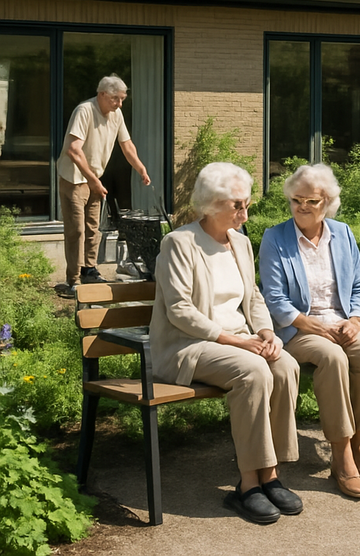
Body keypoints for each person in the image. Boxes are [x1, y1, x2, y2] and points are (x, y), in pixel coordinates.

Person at [150, 162, 302, 524]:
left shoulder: (241, 243)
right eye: (237, 205)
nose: (245, 213)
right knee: (253, 372)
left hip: (239, 342)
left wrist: (267, 334)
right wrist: (236, 341)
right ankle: (248, 485)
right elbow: (180, 311)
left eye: (246, 204)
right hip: (187, 347)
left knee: (285, 365)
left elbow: (254, 300)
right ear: (210, 203)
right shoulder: (179, 243)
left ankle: (271, 475)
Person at [259, 163, 360, 500]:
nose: (302, 206)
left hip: (341, 323)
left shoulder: (342, 234)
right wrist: (313, 324)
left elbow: (359, 286)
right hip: (299, 330)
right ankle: (341, 454)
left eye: (310, 201)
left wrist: (355, 321)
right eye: (296, 199)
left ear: (327, 203)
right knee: (332, 358)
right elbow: (275, 298)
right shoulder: (275, 238)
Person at [55, 75, 150, 298]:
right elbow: (73, 149)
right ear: (102, 95)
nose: (119, 104)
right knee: (76, 230)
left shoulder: (116, 114)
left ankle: (89, 269)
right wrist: (93, 180)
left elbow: (127, 145)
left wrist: (141, 168)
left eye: (122, 99)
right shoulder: (84, 111)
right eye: (115, 98)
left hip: (94, 179)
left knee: (93, 229)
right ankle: (74, 280)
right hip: (74, 179)